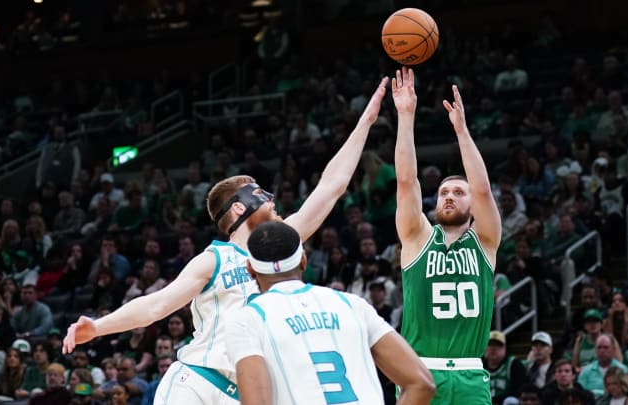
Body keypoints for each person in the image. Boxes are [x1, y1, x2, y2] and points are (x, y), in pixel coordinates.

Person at [62, 76, 391, 405]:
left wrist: (365, 122)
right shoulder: (212, 260)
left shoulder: (279, 245)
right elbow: (157, 305)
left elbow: (331, 186)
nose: (272, 198)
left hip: (246, 394)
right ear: (239, 208)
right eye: (261, 195)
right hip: (197, 382)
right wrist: (98, 327)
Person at [226, 220, 434, 404]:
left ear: (250, 270)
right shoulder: (352, 304)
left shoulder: (246, 320)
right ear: (303, 261)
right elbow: (421, 383)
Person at [392, 67, 502, 403]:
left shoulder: (485, 242)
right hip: (422, 372)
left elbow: (482, 190)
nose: (449, 196)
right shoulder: (417, 238)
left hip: (471, 373)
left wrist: (462, 132)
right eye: (443, 193)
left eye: (457, 192)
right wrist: (406, 116)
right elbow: (407, 181)